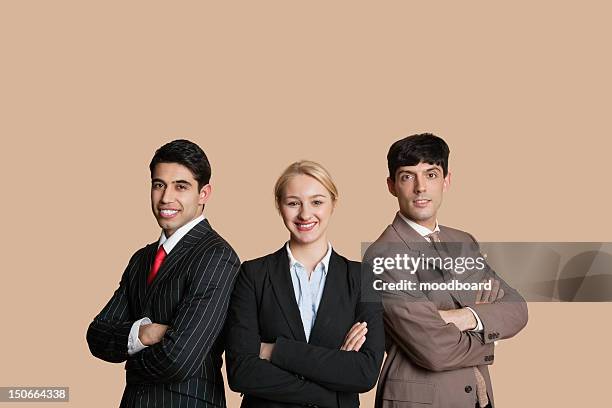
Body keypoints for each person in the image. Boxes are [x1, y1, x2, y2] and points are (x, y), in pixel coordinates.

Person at [370, 134, 528, 408]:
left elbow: (517, 308)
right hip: (422, 401)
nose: (421, 187)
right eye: (408, 176)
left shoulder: (463, 241)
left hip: (479, 399)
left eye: (431, 174)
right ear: (391, 186)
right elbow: (434, 350)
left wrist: (464, 317)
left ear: (446, 181)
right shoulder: (384, 255)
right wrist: (490, 337)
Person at [86, 139, 240, 408]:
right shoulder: (142, 259)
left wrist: (129, 362)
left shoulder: (217, 256)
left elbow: (180, 360)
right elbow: (97, 335)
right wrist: (144, 334)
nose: (166, 197)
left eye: (181, 186)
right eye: (159, 185)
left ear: (204, 193)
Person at [225, 161, 385, 408]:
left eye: (317, 202)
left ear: (334, 203)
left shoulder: (363, 277)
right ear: (280, 206)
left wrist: (274, 351)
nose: (305, 214)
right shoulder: (253, 274)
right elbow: (241, 371)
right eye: (293, 203)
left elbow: (364, 372)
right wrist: (332, 379)